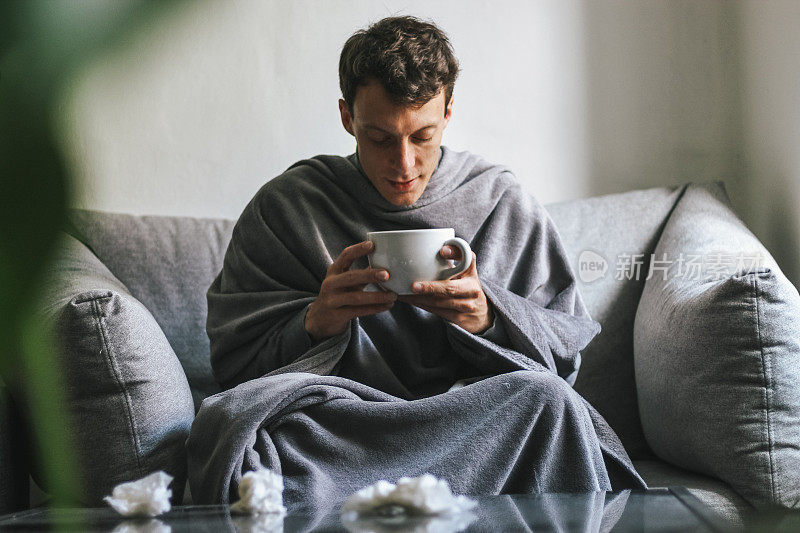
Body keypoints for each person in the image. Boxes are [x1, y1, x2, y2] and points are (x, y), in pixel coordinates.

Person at [188, 15, 645, 512]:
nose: (403, 165)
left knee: (545, 401)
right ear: (347, 117)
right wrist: (314, 325)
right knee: (238, 427)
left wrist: (488, 320)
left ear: (448, 113)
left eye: (422, 136)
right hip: (343, 426)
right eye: (380, 138)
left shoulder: (500, 202)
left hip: (468, 418)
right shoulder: (288, 208)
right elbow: (233, 367)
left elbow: (565, 359)